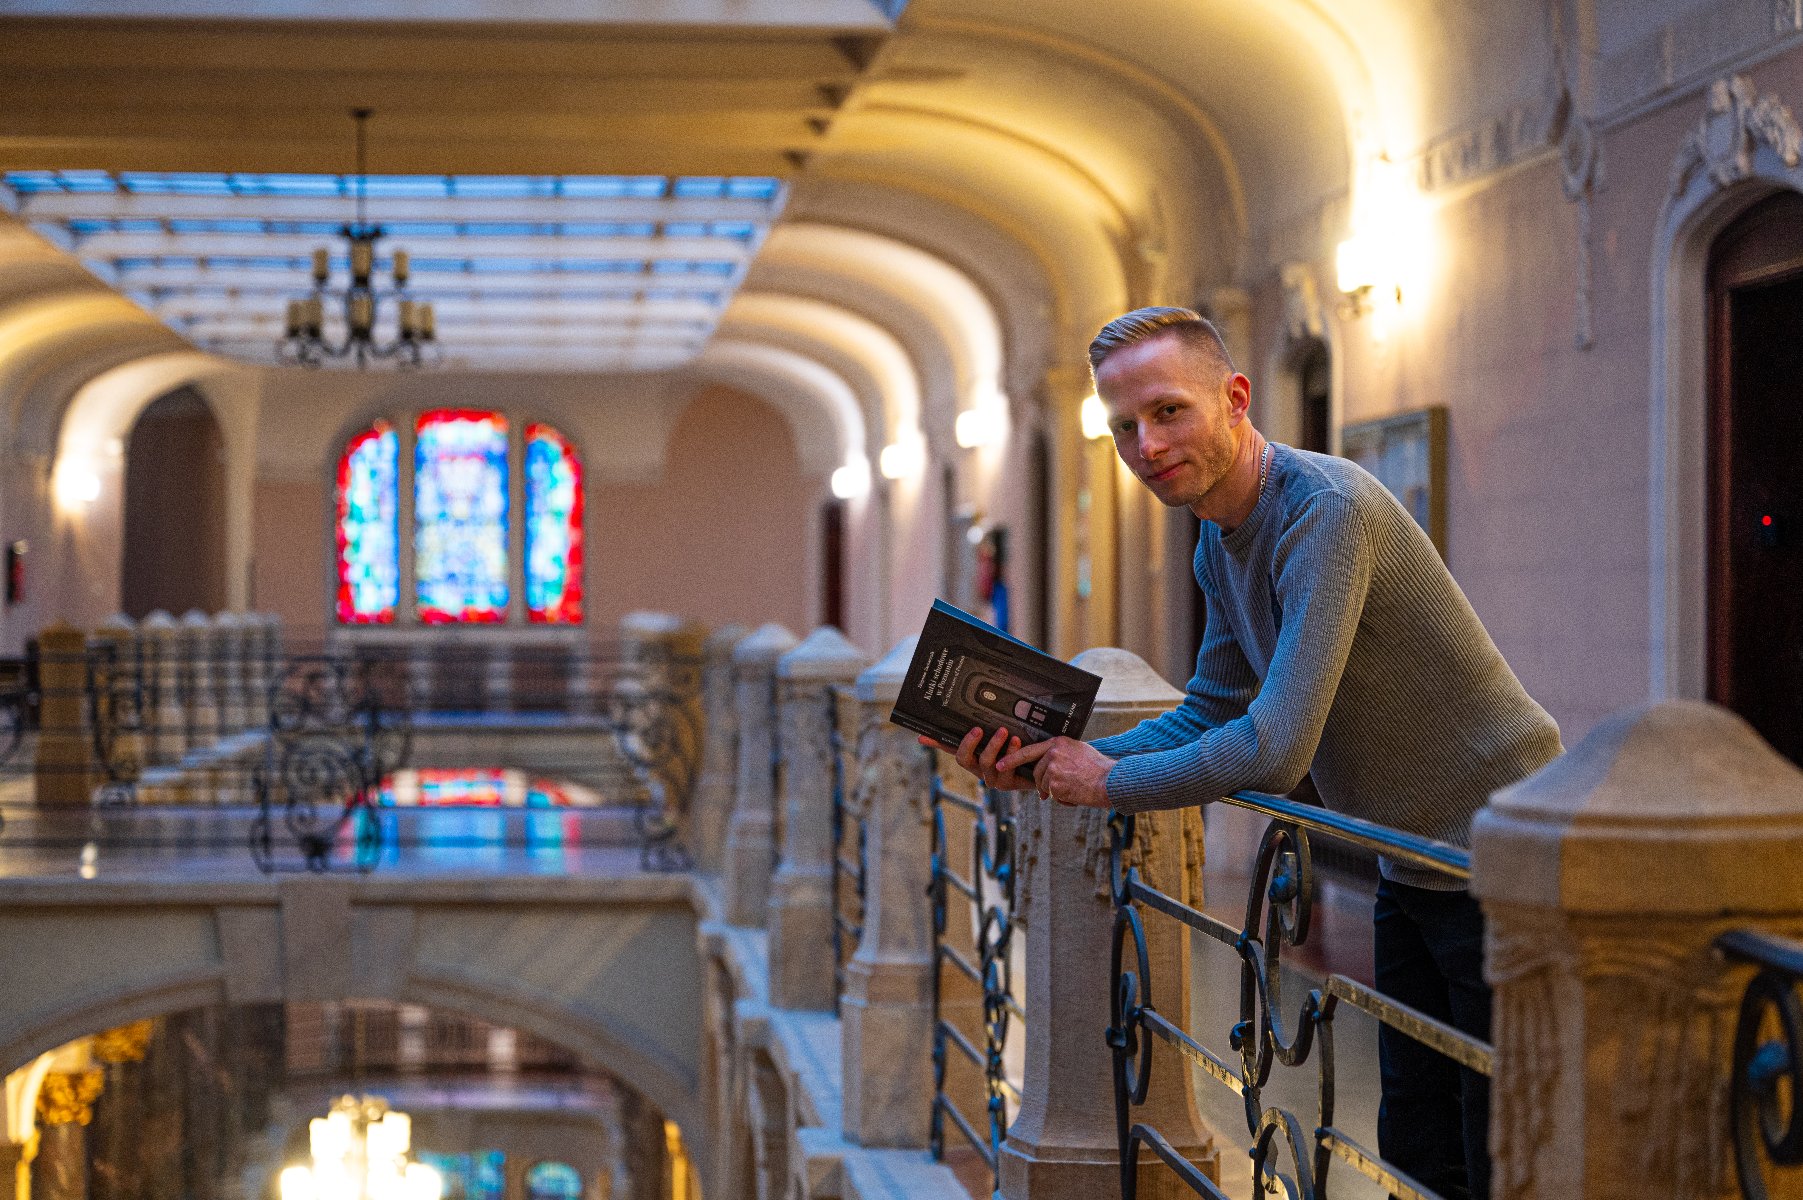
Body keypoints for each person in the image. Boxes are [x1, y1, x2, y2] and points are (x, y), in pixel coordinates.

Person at [941, 306, 1562, 1200]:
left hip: (1503, 858)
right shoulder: (1215, 540)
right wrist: (1054, 757)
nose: (1145, 445)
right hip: (1414, 864)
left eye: (1167, 412)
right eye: (1124, 427)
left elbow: (1275, 749)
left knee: (1502, 1147)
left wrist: (1108, 783)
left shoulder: (1325, 510)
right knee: (1419, 1147)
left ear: (1234, 399)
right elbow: (1212, 708)